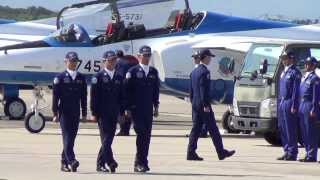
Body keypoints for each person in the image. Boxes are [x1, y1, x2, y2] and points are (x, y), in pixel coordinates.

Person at [187, 49, 235, 161]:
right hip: (204, 106)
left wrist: (194, 103)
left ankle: (190, 152)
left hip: (195, 104)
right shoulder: (205, 72)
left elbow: (191, 91)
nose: (210, 59)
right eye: (209, 57)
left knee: (196, 129)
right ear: (205, 57)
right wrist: (206, 105)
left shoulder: (194, 72)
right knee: (213, 129)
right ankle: (221, 152)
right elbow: (203, 90)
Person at [125, 45, 160, 173]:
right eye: (144, 55)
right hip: (136, 109)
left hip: (148, 110)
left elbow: (155, 91)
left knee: (147, 136)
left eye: (148, 55)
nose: (146, 58)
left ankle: (143, 162)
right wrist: (127, 108)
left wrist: (156, 106)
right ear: (139, 56)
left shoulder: (153, 72)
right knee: (141, 134)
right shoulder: (132, 72)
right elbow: (127, 91)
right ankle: (139, 162)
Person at [90, 50, 125, 173]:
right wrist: (94, 113)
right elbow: (94, 97)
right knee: (107, 138)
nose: (113, 62)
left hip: (114, 112)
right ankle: (103, 163)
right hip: (102, 113)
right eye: (110, 60)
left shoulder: (119, 77)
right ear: (104, 61)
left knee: (108, 138)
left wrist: (122, 111)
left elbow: (121, 96)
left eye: (114, 60)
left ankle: (109, 162)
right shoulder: (98, 77)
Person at [52, 52, 87, 172]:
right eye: (71, 61)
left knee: (71, 138)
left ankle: (63, 162)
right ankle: (72, 160)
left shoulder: (81, 78)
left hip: (75, 112)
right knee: (67, 137)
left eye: (75, 61)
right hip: (64, 112)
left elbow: (83, 97)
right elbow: (55, 97)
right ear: (66, 62)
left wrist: (84, 113)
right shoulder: (60, 78)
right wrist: (55, 113)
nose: (73, 63)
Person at [277, 51, 301, 161]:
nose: (283, 60)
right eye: (282, 58)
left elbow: (296, 91)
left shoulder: (295, 72)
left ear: (291, 59)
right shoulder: (284, 72)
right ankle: (286, 150)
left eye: (285, 58)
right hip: (282, 101)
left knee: (290, 128)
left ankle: (292, 152)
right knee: (282, 128)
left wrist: (294, 105)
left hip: (289, 102)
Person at [298, 57, 320, 163]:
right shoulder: (305, 76)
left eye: (309, 64)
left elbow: (316, 96)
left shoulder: (315, 79)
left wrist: (314, 109)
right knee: (304, 131)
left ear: (313, 65)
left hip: (309, 105)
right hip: (302, 105)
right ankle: (308, 153)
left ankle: (312, 155)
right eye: (306, 63)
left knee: (311, 132)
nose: (306, 66)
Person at [115, 50, 138, 136]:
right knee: (129, 110)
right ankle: (126, 130)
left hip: (122, 89)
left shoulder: (118, 63)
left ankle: (123, 130)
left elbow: (120, 77)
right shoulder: (129, 62)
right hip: (132, 89)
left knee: (121, 111)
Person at [191, 51, 208, 138]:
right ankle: (197, 133)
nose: (194, 60)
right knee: (196, 119)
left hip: (200, 100)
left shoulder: (202, 70)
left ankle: (202, 131)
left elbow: (203, 87)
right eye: (194, 58)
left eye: (196, 58)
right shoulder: (196, 70)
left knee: (203, 118)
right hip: (196, 99)